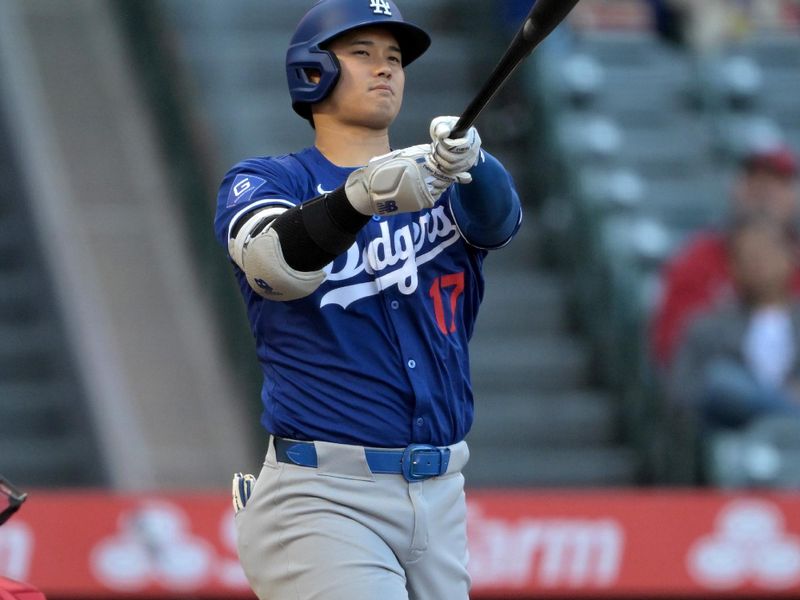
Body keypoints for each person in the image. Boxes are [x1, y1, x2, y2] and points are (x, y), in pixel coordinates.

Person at [213, 1, 522, 599]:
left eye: (394, 58)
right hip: (321, 496)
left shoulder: (440, 180)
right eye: (362, 54)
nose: (385, 69)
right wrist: (362, 199)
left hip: (441, 492)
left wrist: (475, 163)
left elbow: (500, 221)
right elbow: (272, 264)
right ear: (312, 71)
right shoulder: (270, 179)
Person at [650, 143, 799, 369]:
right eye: (755, 180)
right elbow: (673, 348)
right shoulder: (698, 258)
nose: (764, 191)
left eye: (777, 183)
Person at [668, 214, 800, 431]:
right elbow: (683, 398)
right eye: (746, 256)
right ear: (732, 267)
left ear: (790, 255)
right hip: (733, 434)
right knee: (722, 380)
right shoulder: (705, 328)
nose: (757, 263)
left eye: (765, 252)